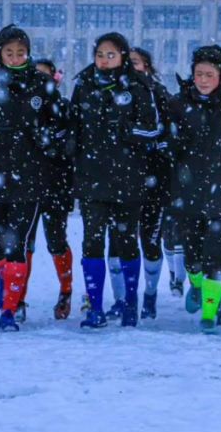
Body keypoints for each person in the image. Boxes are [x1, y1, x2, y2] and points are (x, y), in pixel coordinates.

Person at [0, 25, 67, 332]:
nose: (15, 57)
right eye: (9, 52)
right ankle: (5, 277)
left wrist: (44, 137)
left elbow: (61, 125)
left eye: (20, 52)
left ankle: (9, 311)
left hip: (31, 178)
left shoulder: (41, 85)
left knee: (18, 246)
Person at [68, 32, 163, 328]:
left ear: (122, 56)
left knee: (125, 243)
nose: (104, 60)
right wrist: (69, 142)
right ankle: (95, 307)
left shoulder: (138, 86)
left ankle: (130, 305)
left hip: (129, 178)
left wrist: (126, 130)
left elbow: (153, 130)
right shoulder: (84, 85)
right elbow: (72, 124)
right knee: (92, 242)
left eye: (111, 55)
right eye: (100, 54)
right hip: (91, 179)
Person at [167, 45, 221, 332]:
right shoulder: (179, 103)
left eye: (209, 74)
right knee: (192, 257)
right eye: (198, 74)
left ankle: (209, 313)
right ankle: (195, 284)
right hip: (188, 190)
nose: (203, 80)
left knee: (215, 254)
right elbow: (168, 143)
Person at [19, 58, 76, 321]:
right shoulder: (21, 106)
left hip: (56, 184)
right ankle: (17, 297)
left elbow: (72, 143)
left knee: (56, 242)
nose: (40, 82)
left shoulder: (63, 107)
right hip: (25, 185)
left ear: (55, 79)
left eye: (46, 77)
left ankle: (65, 291)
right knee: (23, 244)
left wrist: (56, 146)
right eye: (36, 77)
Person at [126, 47, 172, 319]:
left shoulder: (159, 93)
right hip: (120, 179)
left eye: (136, 63)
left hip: (155, 178)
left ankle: (150, 293)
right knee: (121, 241)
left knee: (151, 242)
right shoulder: (110, 92)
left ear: (147, 66)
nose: (131, 68)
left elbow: (170, 130)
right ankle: (124, 298)